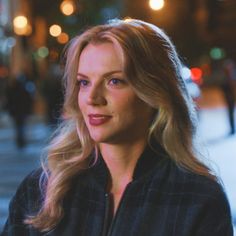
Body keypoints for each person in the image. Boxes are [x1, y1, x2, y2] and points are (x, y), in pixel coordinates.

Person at [1, 19, 233, 235]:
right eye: (84, 82)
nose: (92, 97)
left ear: (153, 93)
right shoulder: (41, 191)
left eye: (114, 81)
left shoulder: (197, 200)